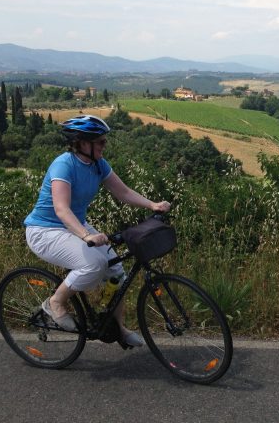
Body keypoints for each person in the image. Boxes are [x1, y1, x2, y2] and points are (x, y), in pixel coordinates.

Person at [23, 114, 171, 347]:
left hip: (74, 226)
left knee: (116, 271)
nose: (105, 145)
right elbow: (61, 209)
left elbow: (122, 192)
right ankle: (55, 303)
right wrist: (86, 236)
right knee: (94, 263)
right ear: (83, 143)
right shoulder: (64, 164)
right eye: (100, 142)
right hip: (45, 230)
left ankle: (118, 328)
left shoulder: (98, 164)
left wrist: (152, 204)